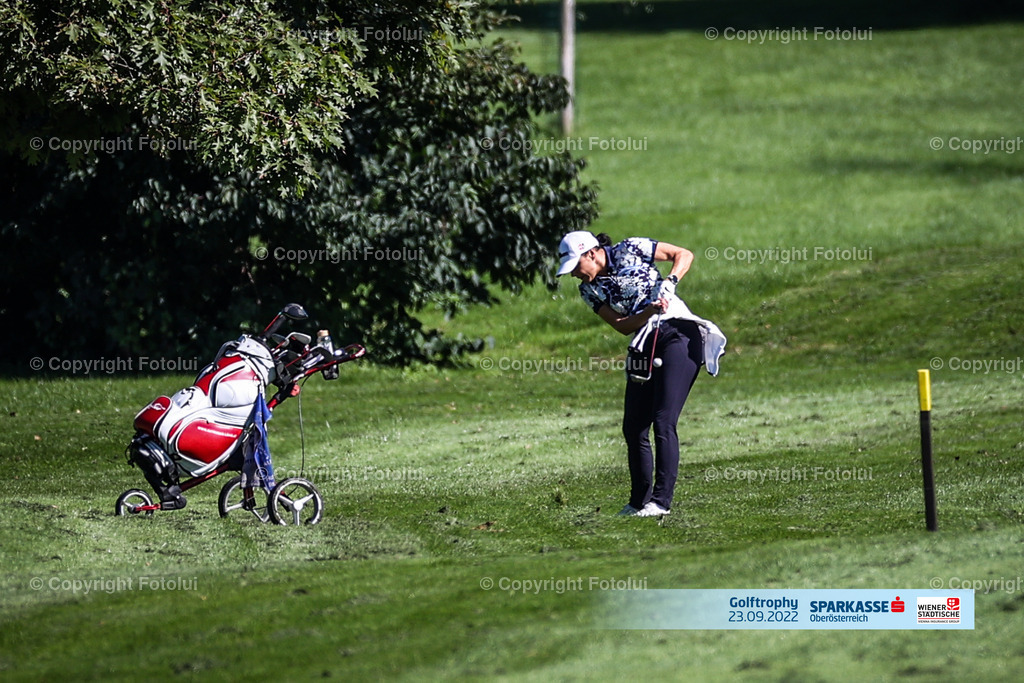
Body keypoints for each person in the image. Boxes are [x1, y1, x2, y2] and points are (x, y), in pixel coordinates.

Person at [556, 230, 726, 517]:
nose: (574, 274)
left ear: (592, 253)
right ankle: (638, 503)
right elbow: (621, 325)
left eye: (576, 266)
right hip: (643, 342)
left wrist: (670, 282)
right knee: (633, 426)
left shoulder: (631, 248)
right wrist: (648, 311)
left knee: (663, 420)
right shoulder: (588, 289)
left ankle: (660, 503)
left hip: (679, 334)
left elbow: (683, 254)